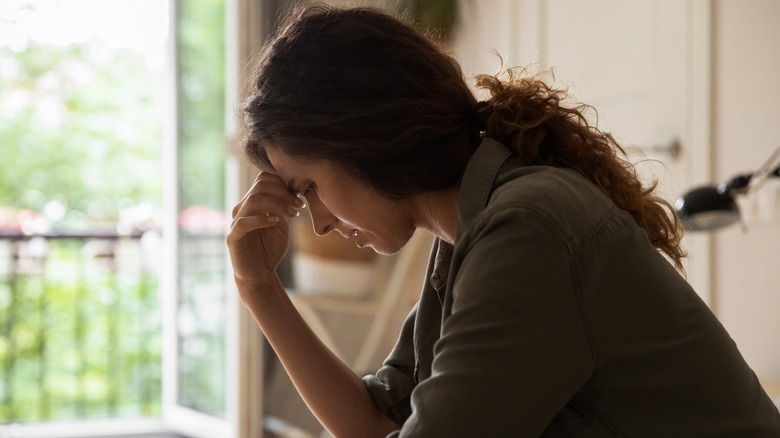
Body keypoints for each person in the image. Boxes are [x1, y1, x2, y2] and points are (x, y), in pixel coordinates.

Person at [228, 4, 780, 437]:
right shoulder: (467, 235)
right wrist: (259, 288)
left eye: (310, 189)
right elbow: (374, 421)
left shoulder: (527, 228)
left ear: (362, 140)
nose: (318, 223)